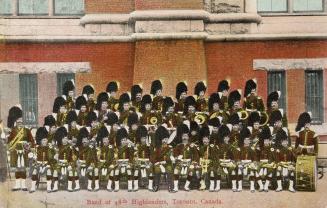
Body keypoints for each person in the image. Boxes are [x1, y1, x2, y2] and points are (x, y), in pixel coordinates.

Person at [7, 106, 35, 191]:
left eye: (21, 122)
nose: (20, 123)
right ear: (16, 122)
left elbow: (32, 141)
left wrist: (28, 145)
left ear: (23, 122)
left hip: (24, 151)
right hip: (15, 151)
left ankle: (23, 185)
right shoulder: (13, 130)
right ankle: (17, 185)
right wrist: (7, 139)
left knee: (23, 169)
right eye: (18, 122)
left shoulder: (27, 130)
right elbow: (10, 141)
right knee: (17, 168)